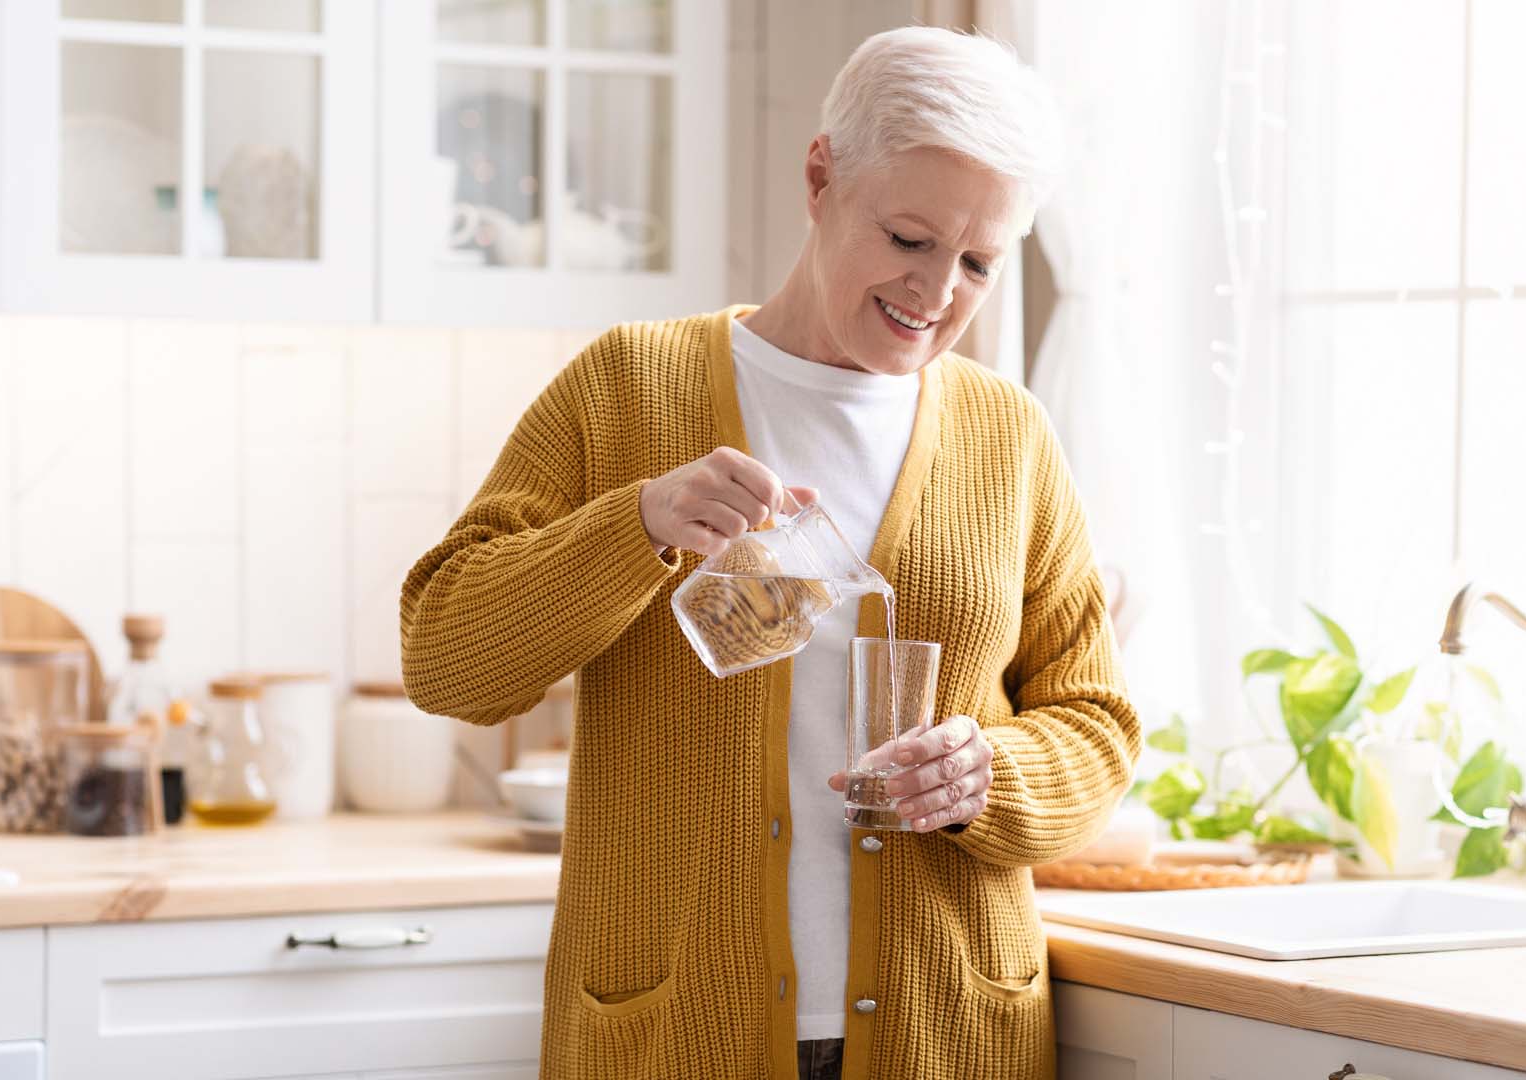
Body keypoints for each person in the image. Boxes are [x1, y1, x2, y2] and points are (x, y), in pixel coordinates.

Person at [401, 25, 1137, 1080]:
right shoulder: (628, 388)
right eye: (908, 239)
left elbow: (1096, 723)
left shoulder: (1006, 436)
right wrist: (638, 526)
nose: (936, 293)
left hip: (947, 1032)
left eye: (978, 261)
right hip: (670, 1028)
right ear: (821, 177)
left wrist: (990, 773)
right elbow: (445, 657)